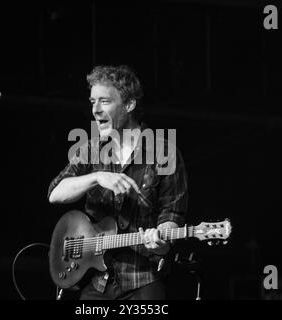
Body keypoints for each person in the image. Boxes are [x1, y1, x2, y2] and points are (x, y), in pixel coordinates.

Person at [48, 65, 188, 300]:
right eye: (93, 101)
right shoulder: (90, 149)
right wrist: (97, 177)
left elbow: (172, 216)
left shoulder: (164, 151)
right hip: (96, 282)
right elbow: (55, 193)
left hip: (142, 279)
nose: (95, 110)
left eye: (104, 101)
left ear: (129, 105)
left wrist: (161, 241)